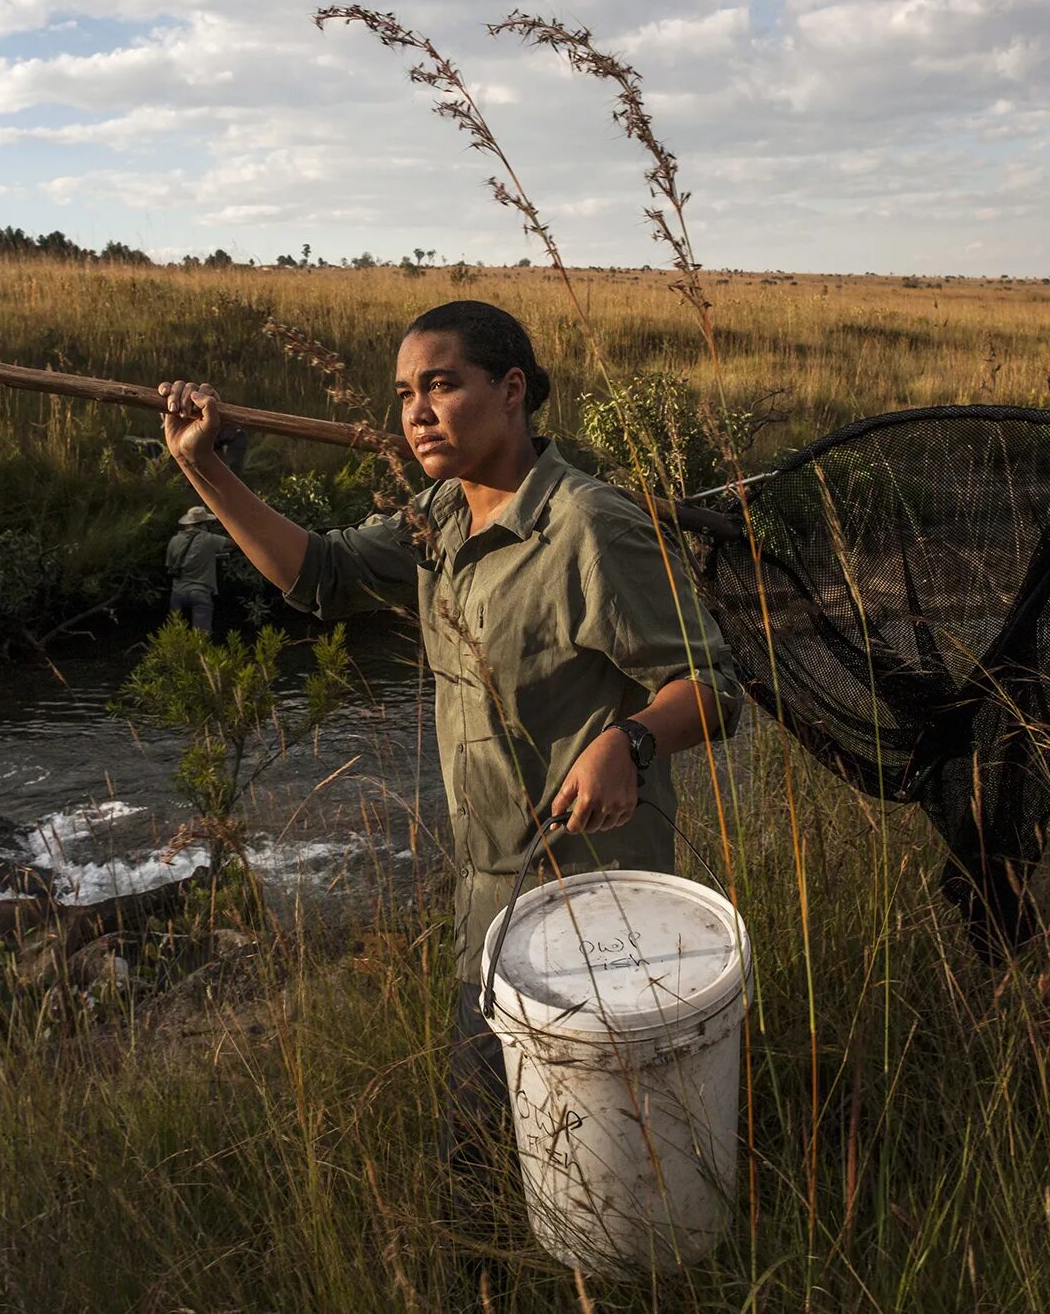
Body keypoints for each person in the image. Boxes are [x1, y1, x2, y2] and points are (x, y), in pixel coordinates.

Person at [158, 300, 742, 1179]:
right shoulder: (438, 518)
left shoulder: (588, 526)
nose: (418, 412)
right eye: (403, 395)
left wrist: (630, 739)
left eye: (441, 385)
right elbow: (318, 577)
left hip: (596, 912)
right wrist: (203, 469)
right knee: (482, 1165)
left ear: (512, 391)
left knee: (611, 1171)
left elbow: (714, 686)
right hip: (488, 903)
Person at [165, 505, 230, 633]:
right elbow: (236, 544)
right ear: (204, 524)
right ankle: (200, 653)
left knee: (176, 637)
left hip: (178, 593)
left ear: (188, 523)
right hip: (200, 591)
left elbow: (170, 565)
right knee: (201, 636)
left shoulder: (174, 540)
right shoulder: (209, 539)